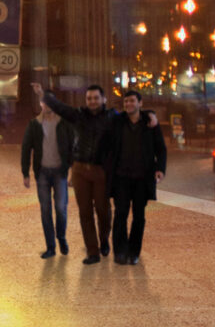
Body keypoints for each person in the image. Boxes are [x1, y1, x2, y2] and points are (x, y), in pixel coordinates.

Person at [37, 83, 117, 264]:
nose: (93, 101)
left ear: (104, 99)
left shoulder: (112, 117)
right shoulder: (79, 115)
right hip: (80, 169)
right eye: (89, 98)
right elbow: (60, 107)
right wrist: (43, 94)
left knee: (103, 211)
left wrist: (149, 116)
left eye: (96, 98)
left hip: (101, 171)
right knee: (85, 212)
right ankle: (93, 251)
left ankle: (104, 239)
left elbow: (132, 117)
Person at [107, 89, 168, 264]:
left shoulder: (150, 124)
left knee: (139, 217)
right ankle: (120, 252)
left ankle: (134, 252)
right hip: (121, 178)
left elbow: (161, 149)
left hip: (142, 178)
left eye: (132, 101)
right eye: (126, 102)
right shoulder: (117, 122)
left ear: (140, 103)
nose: (128, 104)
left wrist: (160, 169)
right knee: (120, 214)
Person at [21, 102, 77, 259]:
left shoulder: (64, 123)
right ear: (40, 104)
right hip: (43, 174)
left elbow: (72, 147)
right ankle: (50, 247)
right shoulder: (34, 124)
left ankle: (61, 237)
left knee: (60, 208)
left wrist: (73, 172)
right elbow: (26, 148)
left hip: (60, 172)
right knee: (45, 210)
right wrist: (25, 172)